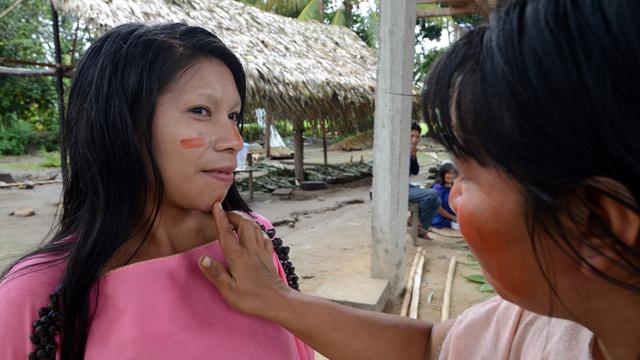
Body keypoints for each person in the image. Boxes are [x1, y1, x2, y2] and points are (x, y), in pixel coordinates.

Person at [195, 0, 640, 359]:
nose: (457, 192)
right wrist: (275, 299)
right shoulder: (537, 324)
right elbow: (430, 347)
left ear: (594, 226)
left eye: (467, 172)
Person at [0, 23, 312, 360]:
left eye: (233, 115)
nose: (234, 141)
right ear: (123, 125)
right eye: (200, 111)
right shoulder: (35, 295)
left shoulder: (251, 241)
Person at [408, 121, 441, 237]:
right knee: (432, 194)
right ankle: (414, 218)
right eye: (411, 136)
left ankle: (421, 231)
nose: (414, 140)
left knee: (437, 201)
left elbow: (415, 171)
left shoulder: (411, 151)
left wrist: (413, 156)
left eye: (417, 137)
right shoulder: (399, 150)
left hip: (407, 187)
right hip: (398, 189)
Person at [430, 163, 458, 229]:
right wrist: (453, 218)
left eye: (452, 173)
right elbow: (438, 208)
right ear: (443, 174)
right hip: (439, 217)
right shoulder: (438, 187)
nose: (450, 176)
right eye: (447, 173)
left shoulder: (455, 187)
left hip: (452, 216)